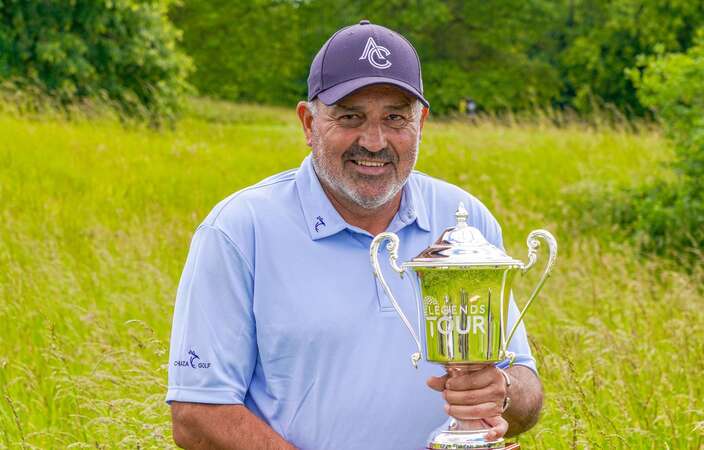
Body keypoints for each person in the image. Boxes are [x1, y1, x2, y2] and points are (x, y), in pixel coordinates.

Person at [166, 20, 543, 450]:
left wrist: (502, 392)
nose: (375, 140)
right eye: (350, 116)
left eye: (395, 118)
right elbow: (197, 414)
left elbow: (526, 393)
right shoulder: (239, 229)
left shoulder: (465, 219)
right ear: (308, 123)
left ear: (422, 123)